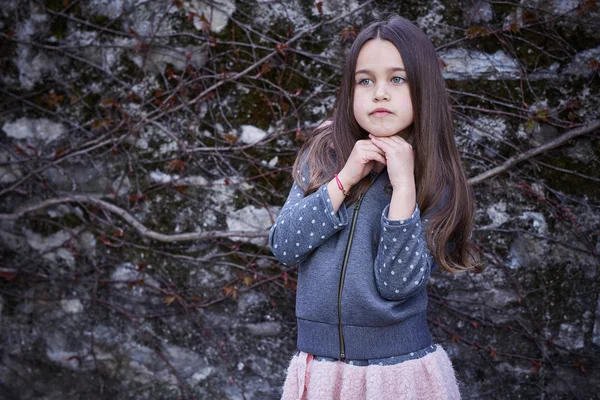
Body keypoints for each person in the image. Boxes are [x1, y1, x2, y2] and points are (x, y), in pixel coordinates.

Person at [268, 14, 480, 400]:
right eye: (365, 80)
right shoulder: (324, 153)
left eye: (397, 79)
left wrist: (402, 187)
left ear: (423, 89)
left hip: (397, 372)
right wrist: (343, 179)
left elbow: (397, 284)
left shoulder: (435, 178)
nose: (379, 93)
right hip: (320, 369)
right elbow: (284, 244)